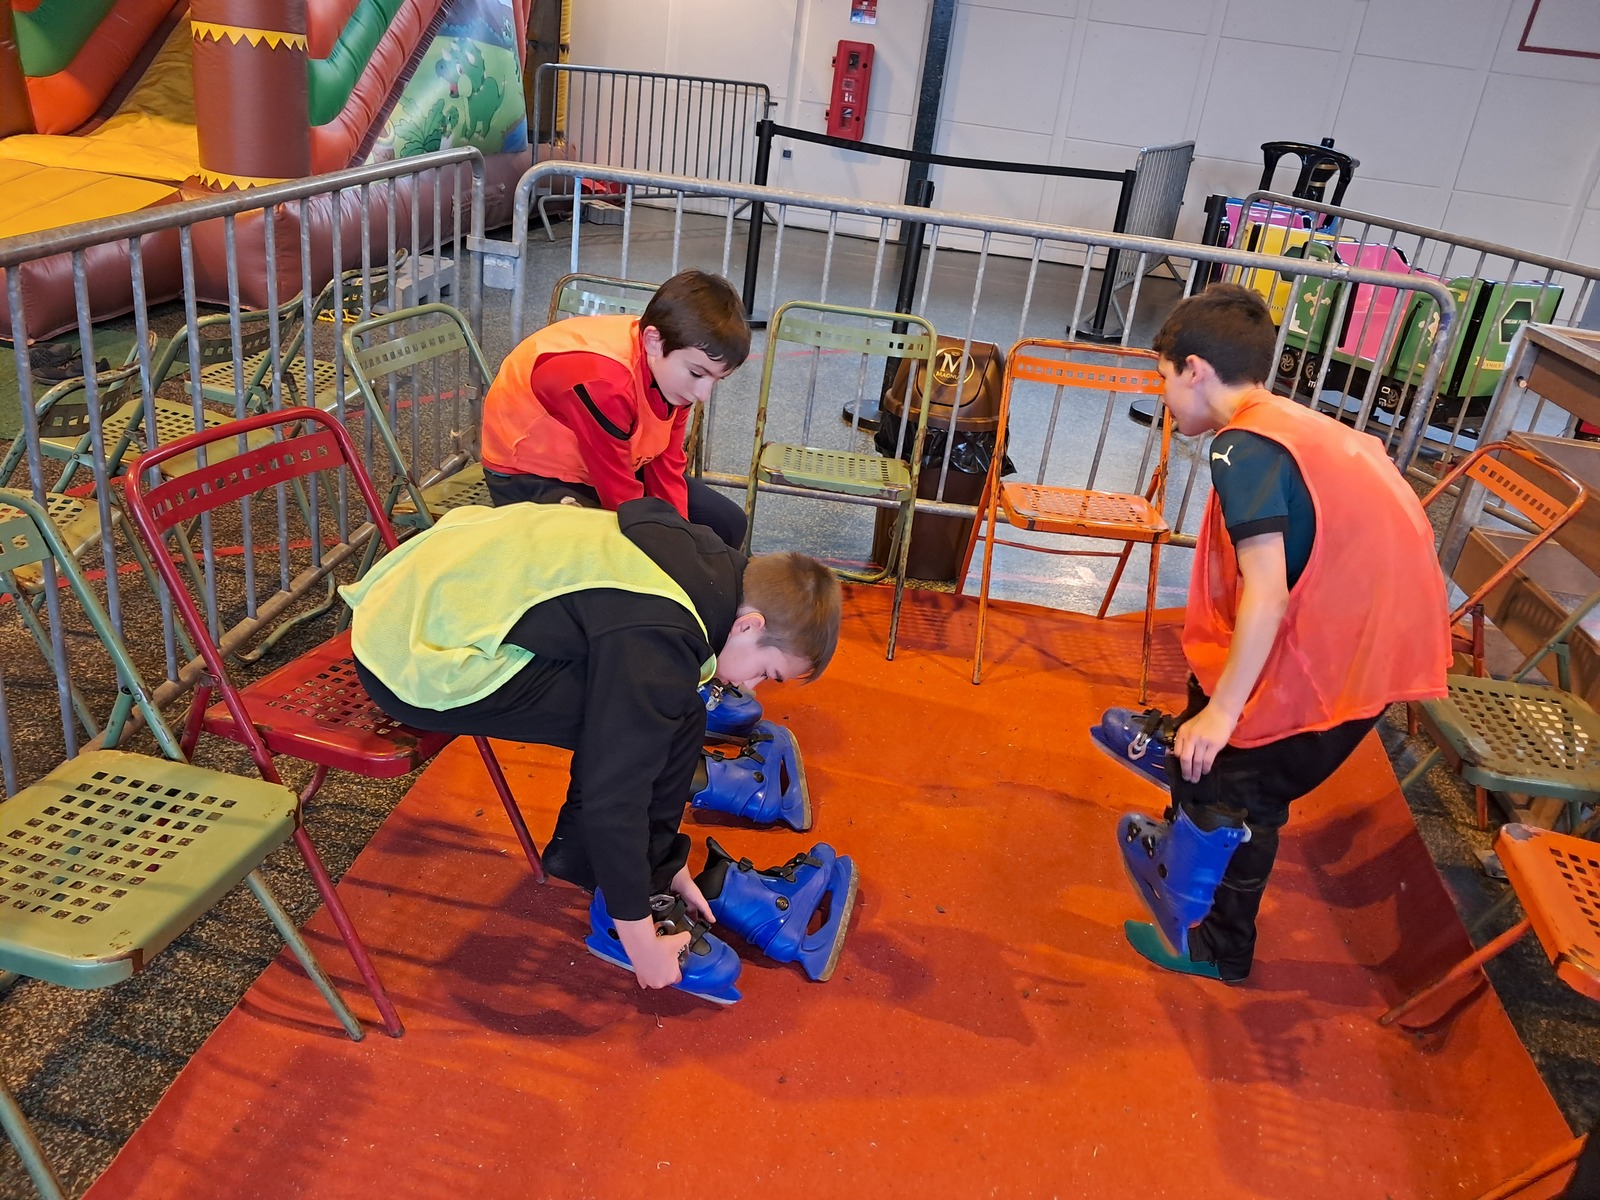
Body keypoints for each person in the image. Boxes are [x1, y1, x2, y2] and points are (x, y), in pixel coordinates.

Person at [341, 496, 842, 1002]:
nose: (752, 688)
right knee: (631, 729)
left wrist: (665, 859)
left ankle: (645, 874)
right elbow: (614, 793)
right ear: (749, 625)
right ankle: (620, 905)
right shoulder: (659, 635)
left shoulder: (710, 563)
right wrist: (640, 941)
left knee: (671, 712)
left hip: (422, 587)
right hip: (408, 651)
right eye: (766, 672)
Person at [1094, 283, 1450, 983]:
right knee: (1216, 739)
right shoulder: (1293, 423)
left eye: (1163, 378)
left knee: (1242, 796)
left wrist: (1224, 714)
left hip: (1340, 655)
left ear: (1195, 369)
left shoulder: (1242, 448)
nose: (1164, 397)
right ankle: (1188, 766)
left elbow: (1268, 591)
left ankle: (1218, 948)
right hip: (1372, 637)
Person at [480, 268, 752, 549]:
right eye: (697, 373)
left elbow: (665, 462)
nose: (703, 393)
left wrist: (681, 533)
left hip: (610, 462)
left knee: (727, 523)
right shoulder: (605, 382)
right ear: (653, 341)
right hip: (531, 474)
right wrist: (675, 548)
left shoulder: (674, 367)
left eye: (716, 379)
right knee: (617, 553)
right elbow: (620, 498)